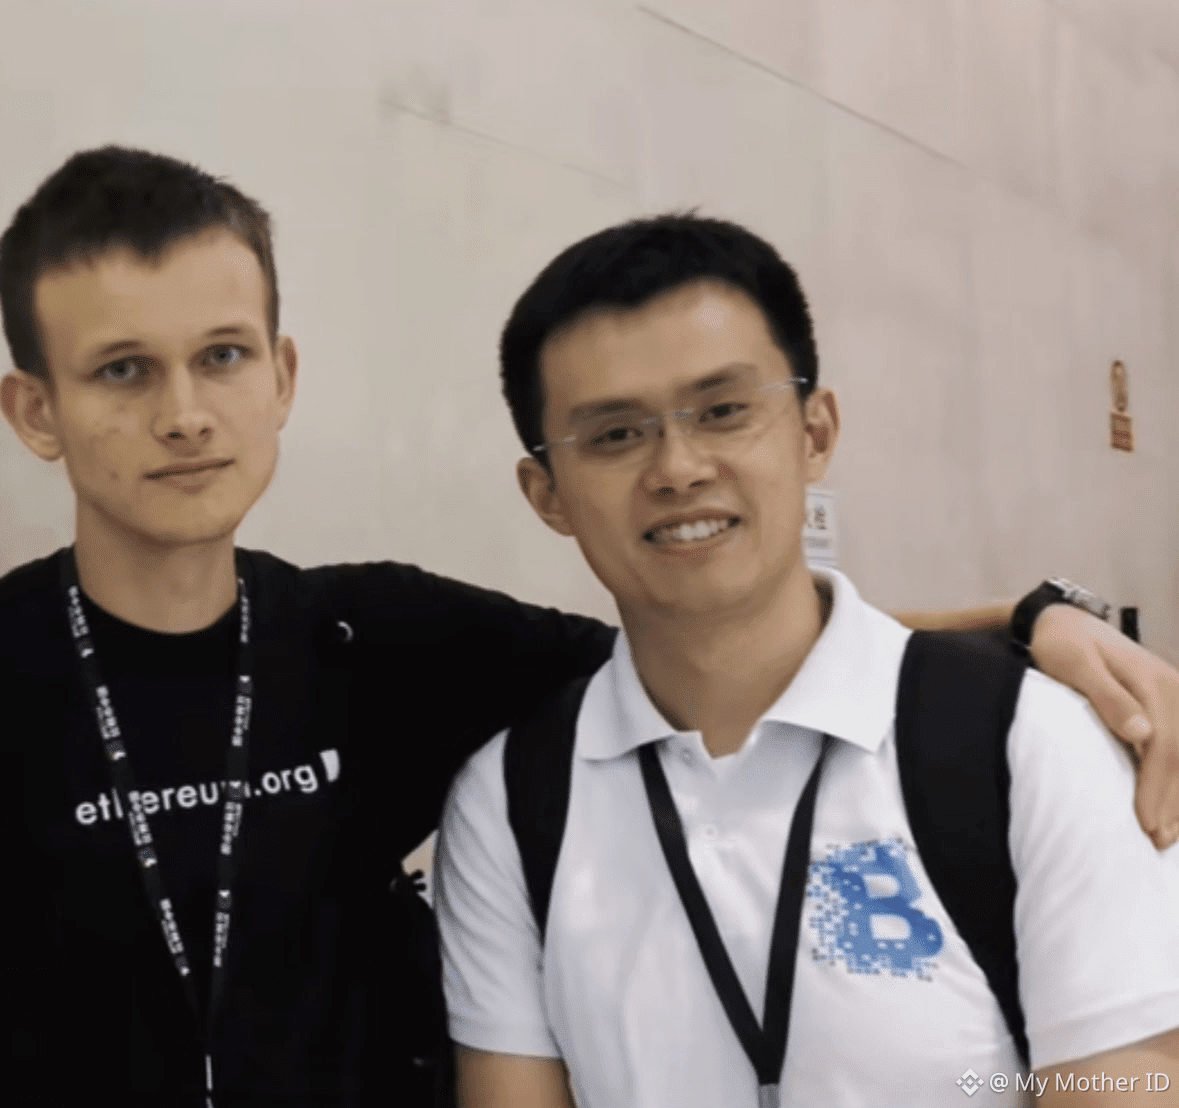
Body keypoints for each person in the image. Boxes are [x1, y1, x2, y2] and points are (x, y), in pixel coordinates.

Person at [0, 148, 1174, 1106]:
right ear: (36, 410)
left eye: (221, 356)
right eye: (123, 372)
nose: (186, 415)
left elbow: (714, 635)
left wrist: (1026, 621)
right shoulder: (499, 799)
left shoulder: (378, 636)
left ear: (281, 376)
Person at [433, 213, 1179, 1107]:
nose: (677, 469)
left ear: (814, 431)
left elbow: (1120, 1082)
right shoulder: (508, 803)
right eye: (614, 435)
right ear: (546, 493)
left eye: (722, 411)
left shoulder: (1029, 745)